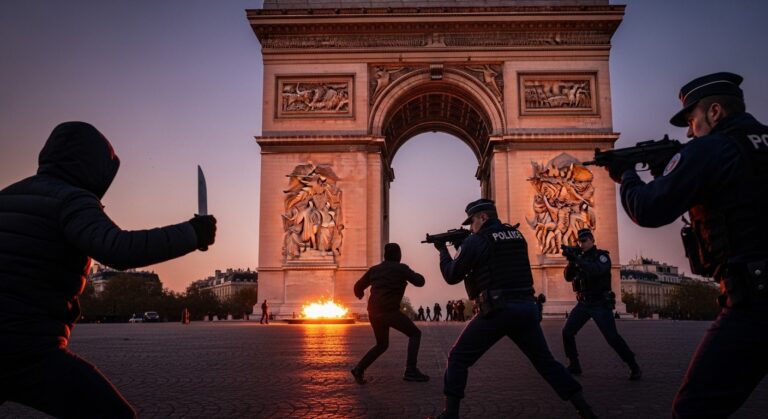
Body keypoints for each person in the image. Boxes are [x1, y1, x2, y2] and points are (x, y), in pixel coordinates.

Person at [0, 121, 217, 419]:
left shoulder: (6, 196)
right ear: (93, 167)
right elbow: (119, 248)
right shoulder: (72, 200)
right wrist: (192, 233)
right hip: (27, 348)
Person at [612, 72, 768, 419]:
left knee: (694, 408)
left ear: (714, 112)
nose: (688, 131)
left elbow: (648, 208)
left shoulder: (712, 148)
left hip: (755, 302)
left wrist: (628, 176)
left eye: (691, 119)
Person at [430, 199, 596, 419]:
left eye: (472, 222)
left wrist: (443, 251)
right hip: (527, 308)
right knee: (546, 363)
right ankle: (584, 409)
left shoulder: (476, 241)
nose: (471, 227)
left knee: (458, 358)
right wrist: (465, 244)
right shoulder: (517, 236)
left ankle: (450, 414)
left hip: (498, 310)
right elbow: (494, 261)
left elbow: (452, 274)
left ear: (483, 217)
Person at [561, 229, 641, 380]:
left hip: (600, 304)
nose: (581, 244)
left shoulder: (602, 257)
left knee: (612, 337)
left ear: (592, 240)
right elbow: (567, 277)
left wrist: (578, 259)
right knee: (567, 332)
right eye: (579, 241)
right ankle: (574, 364)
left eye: (584, 241)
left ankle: (633, 365)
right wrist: (571, 260)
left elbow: (596, 271)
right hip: (584, 303)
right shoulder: (580, 258)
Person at [351, 243, 430, 384]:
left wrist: (360, 294)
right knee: (415, 334)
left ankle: (359, 369)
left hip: (373, 312)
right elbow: (419, 282)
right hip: (389, 312)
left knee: (382, 344)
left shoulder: (374, 270)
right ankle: (411, 370)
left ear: (385, 255)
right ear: (398, 255)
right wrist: (415, 275)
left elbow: (357, 287)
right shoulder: (401, 269)